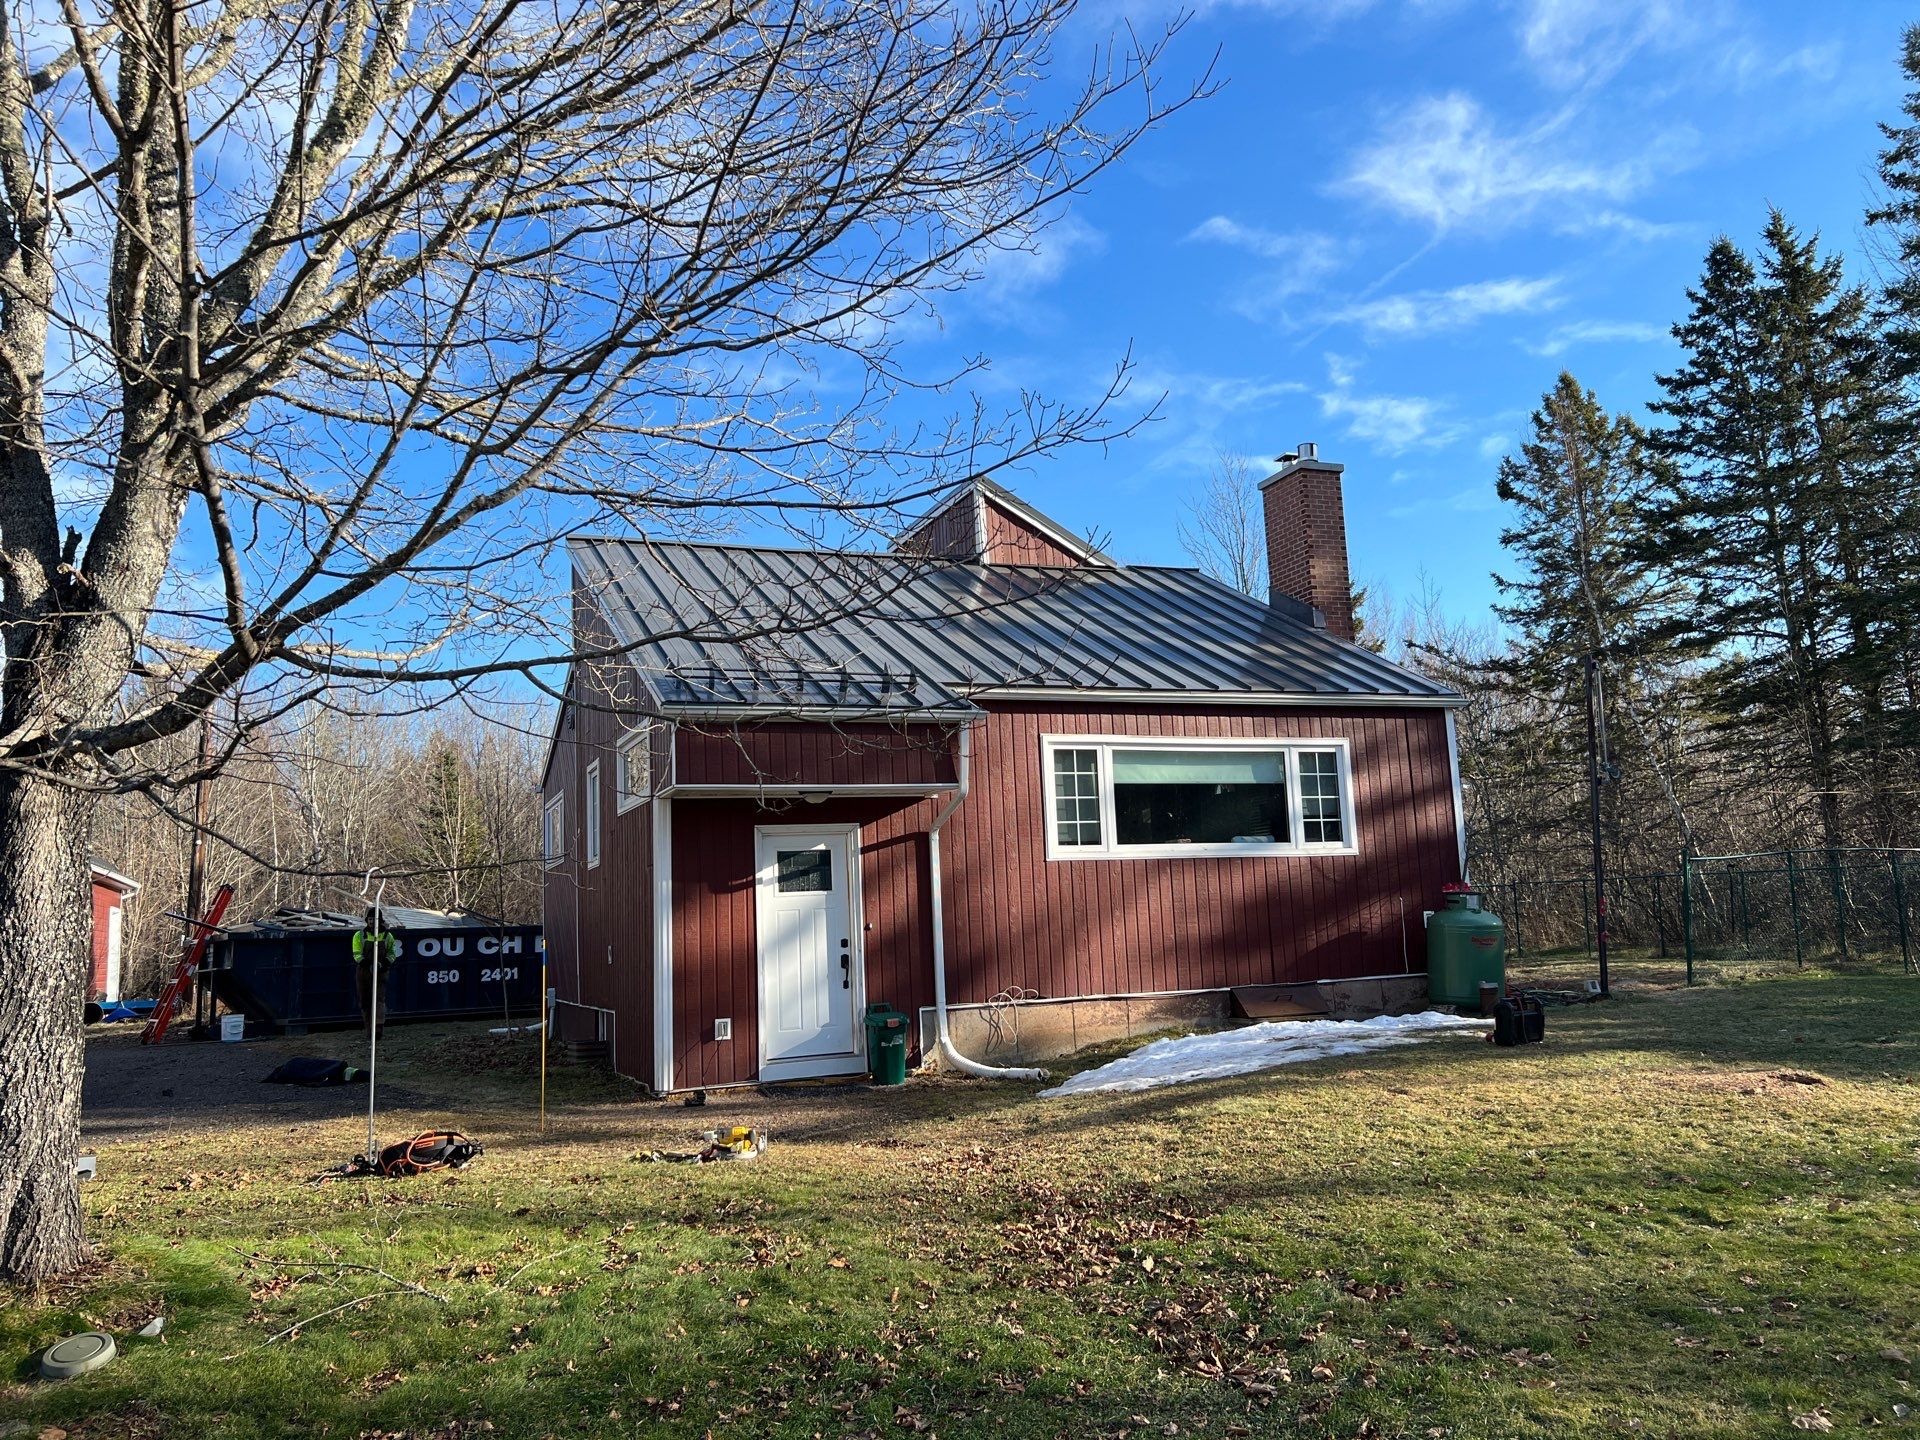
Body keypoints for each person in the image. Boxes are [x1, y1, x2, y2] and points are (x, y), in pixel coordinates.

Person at [351, 909, 402, 1034]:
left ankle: (378, 1027)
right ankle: (369, 1027)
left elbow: (392, 953)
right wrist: (367, 964)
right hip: (364, 972)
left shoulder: (387, 936)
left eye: (375, 919)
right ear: (367, 920)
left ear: (380, 921)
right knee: (365, 1001)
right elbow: (356, 953)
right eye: (370, 919)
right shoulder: (359, 935)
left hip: (381, 971)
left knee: (379, 999)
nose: (372, 922)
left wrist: (384, 964)